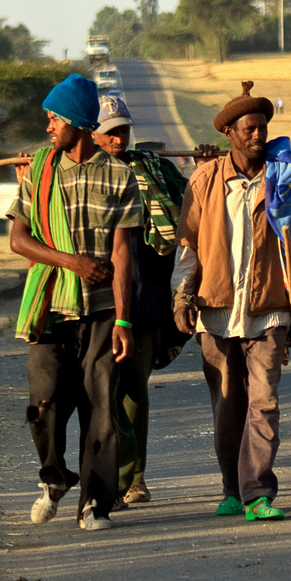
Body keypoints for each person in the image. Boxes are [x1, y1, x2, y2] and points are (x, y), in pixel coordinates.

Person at [7, 73, 143, 531]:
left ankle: (95, 503)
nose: (48, 126)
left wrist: (125, 320)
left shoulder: (120, 177)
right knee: (42, 401)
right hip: (51, 309)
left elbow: (124, 253)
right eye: (48, 118)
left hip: (104, 312)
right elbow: (18, 239)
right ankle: (55, 476)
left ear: (80, 123)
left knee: (100, 405)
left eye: (55, 118)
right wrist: (72, 262)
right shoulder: (41, 171)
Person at [171, 82, 291, 522]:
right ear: (229, 132)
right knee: (228, 403)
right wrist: (183, 295)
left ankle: (258, 492)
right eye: (249, 128)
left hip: (270, 309)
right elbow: (188, 245)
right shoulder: (205, 181)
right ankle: (231, 486)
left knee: (264, 401)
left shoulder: (283, 177)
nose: (258, 135)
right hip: (217, 310)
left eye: (262, 127)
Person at [91, 93, 190, 507]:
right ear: (94, 135)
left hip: (145, 296)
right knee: (100, 391)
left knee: (133, 389)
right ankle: (107, 476)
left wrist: (206, 167)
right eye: (111, 133)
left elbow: (195, 203)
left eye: (124, 132)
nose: (118, 140)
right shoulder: (82, 174)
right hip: (97, 299)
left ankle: (134, 478)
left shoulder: (155, 168)